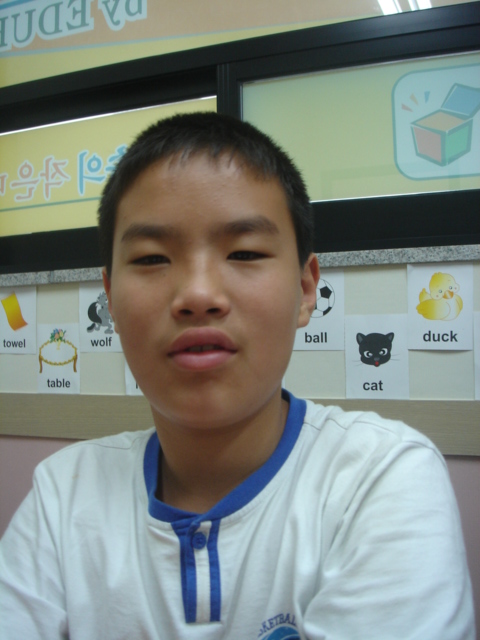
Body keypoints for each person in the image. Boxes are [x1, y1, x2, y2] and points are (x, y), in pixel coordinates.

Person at [0, 112, 474, 639]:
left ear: (306, 288)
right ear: (109, 298)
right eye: (152, 258)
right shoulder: (63, 494)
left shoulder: (379, 478)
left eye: (244, 252)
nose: (198, 295)